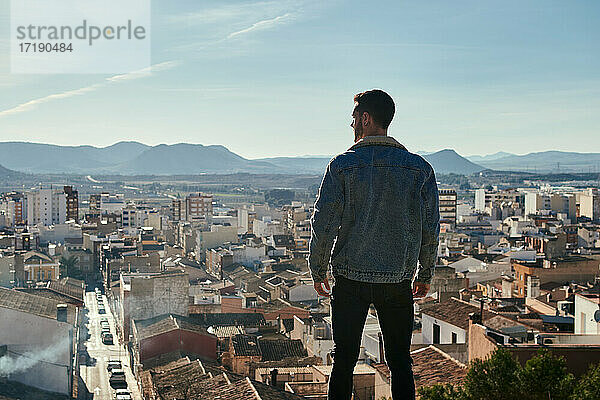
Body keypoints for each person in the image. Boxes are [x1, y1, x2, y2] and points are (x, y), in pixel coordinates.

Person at [308, 89, 440, 400]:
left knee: (343, 361)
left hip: (350, 279)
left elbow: (324, 223)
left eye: (354, 118)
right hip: (397, 279)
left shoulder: (341, 166)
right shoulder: (419, 169)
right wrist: (425, 273)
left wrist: (318, 268)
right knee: (399, 361)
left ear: (366, 119)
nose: (351, 124)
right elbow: (431, 228)